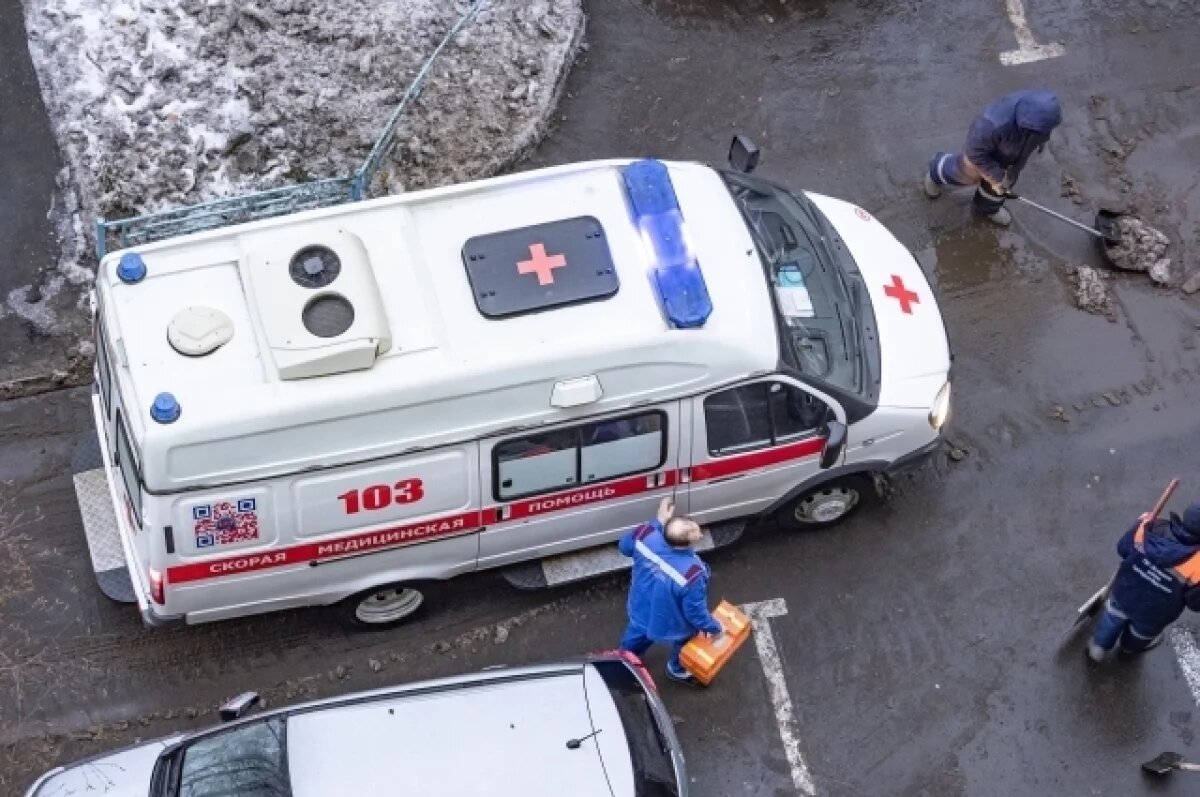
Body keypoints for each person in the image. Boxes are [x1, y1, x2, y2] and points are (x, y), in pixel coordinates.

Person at [618, 496, 722, 685]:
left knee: (635, 635)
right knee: (685, 641)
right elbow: (694, 612)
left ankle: (626, 661)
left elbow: (624, 547)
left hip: (640, 607)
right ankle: (677, 669)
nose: (699, 535)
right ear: (687, 544)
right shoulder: (692, 573)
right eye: (697, 534)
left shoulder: (645, 535)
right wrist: (713, 627)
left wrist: (658, 521)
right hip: (670, 622)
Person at [923, 88, 1063, 227]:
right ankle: (936, 170)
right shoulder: (991, 123)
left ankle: (987, 208)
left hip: (1013, 153)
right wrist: (996, 177)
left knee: (1006, 183)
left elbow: (1043, 130)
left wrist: (1039, 141)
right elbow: (974, 152)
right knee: (965, 174)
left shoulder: (1043, 115)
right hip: (984, 152)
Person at [1088, 503, 1200, 662]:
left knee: (1112, 618)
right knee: (1141, 633)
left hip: (1125, 592)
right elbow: (1195, 603)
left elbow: (1123, 549)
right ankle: (1129, 648)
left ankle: (1097, 647)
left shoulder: (1153, 527)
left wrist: (1139, 524)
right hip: (1156, 612)